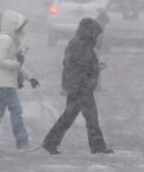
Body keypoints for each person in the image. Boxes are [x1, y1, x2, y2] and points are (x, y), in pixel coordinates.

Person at [42, 18, 113, 155]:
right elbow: (74, 68)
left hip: (79, 87)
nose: (99, 38)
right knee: (90, 117)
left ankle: (50, 142)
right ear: (90, 33)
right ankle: (97, 147)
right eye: (97, 35)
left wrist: (96, 68)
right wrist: (79, 84)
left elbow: (80, 66)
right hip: (81, 88)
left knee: (70, 116)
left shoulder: (81, 44)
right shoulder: (80, 46)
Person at [0, 10, 39, 152]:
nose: (21, 30)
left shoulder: (7, 39)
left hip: (2, 83)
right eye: (19, 27)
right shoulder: (6, 40)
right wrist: (18, 64)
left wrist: (29, 77)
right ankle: (22, 142)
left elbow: (13, 61)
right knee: (16, 111)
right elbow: (1, 61)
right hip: (4, 83)